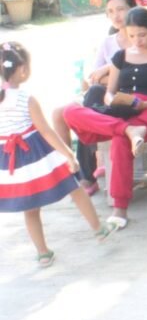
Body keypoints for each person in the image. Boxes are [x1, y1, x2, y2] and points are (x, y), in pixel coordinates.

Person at [1, 42, 117, 267]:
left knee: (30, 208)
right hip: (37, 154)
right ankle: (99, 229)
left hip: (12, 160)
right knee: (74, 188)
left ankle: (43, 253)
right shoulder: (26, 98)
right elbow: (46, 131)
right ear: (23, 69)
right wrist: (68, 154)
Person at [63, 7, 147, 229]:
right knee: (69, 110)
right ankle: (127, 129)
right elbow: (109, 91)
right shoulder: (120, 56)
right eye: (132, 35)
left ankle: (120, 207)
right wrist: (112, 100)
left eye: (142, 35)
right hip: (122, 110)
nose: (137, 40)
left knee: (119, 140)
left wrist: (144, 104)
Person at [54, 0, 141, 195]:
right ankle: (81, 170)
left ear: (133, 9)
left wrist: (109, 69)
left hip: (134, 100)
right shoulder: (108, 42)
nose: (116, 15)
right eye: (110, 11)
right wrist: (111, 75)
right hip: (106, 99)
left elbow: (144, 71)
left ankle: (87, 175)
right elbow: (94, 78)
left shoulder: (145, 35)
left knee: (90, 105)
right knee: (83, 102)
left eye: (121, 9)